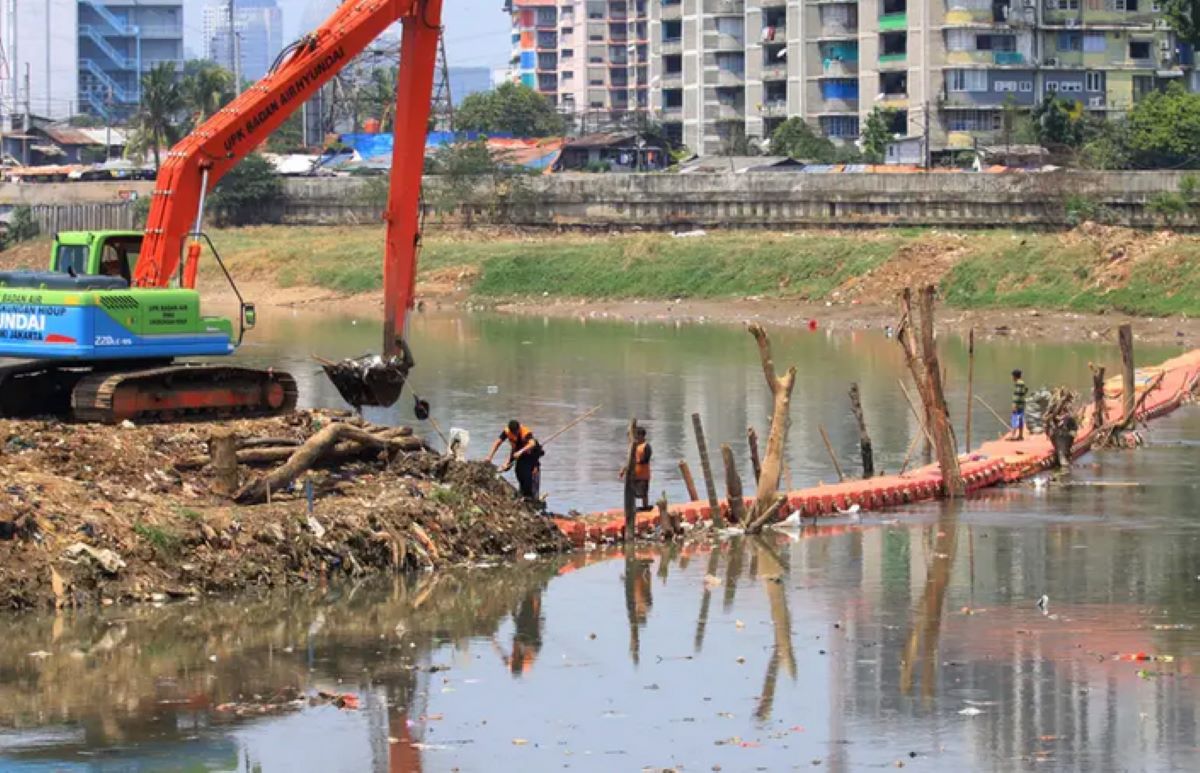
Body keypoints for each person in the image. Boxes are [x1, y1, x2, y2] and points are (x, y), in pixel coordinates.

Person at [487, 420, 543, 501]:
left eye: (516, 432)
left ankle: (528, 495)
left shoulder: (525, 432)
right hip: (517, 451)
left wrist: (520, 452)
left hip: (530, 453)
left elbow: (532, 443)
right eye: (513, 433)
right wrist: (490, 456)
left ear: (518, 429)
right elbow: (498, 442)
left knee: (526, 472)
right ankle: (523, 492)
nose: (515, 434)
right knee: (517, 471)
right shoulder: (507, 431)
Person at [618, 426, 652, 511]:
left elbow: (646, 460)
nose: (636, 438)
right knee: (632, 492)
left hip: (643, 474)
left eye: (637, 435)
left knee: (643, 492)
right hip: (633, 474)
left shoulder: (646, 446)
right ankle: (632, 508)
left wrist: (635, 462)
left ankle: (645, 507)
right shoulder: (634, 446)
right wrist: (624, 469)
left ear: (642, 435)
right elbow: (629, 459)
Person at [1011, 368, 1028, 441]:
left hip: (1018, 405)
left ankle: (1013, 435)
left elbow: (1017, 394)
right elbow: (1026, 390)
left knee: (1015, 419)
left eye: (1012, 376)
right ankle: (1020, 435)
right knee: (1020, 419)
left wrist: (1014, 405)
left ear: (1015, 376)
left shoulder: (1018, 383)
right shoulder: (1022, 383)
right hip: (1022, 404)